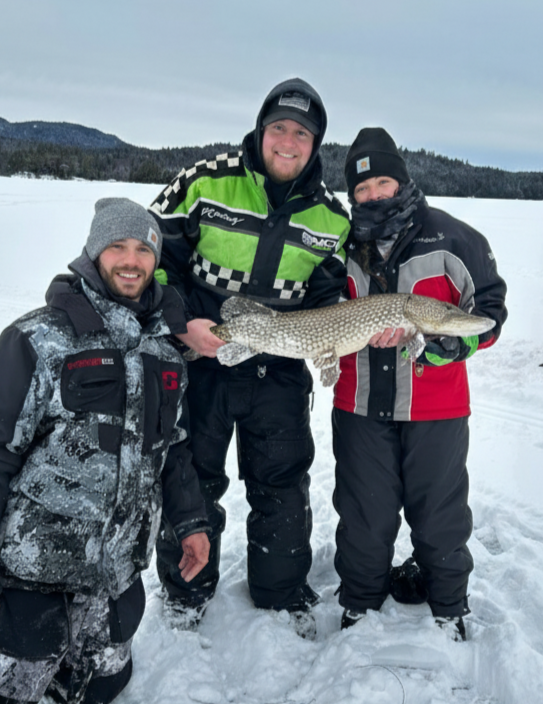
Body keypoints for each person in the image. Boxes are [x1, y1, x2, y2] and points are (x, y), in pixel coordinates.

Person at [148, 77, 350, 636]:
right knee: (194, 476)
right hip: (202, 360)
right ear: (261, 131)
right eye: (278, 128)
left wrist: (336, 333)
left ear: (315, 145)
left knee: (282, 482)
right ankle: (186, 591)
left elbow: (330, 296)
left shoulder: (332, 218)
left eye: (302, 134)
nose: (288, 142)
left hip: (279, 371)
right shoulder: (204, 180)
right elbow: (153, 258)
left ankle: (281, 591)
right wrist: (180, 321)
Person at [0, 198, 210, 704]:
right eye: (117, 246)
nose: (131, 260)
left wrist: (192, 523)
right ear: (94, 253)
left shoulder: (164, 352)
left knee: (107, 683)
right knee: (19, 682)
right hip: (32, 569)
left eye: (143, 248)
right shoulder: (40, 338)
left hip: (114, 569)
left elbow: (173, 449)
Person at [332, 128, 508, 641]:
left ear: (403, 181)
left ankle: (449, 603)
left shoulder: (454, 238)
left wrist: (457, 345)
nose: (373, 195)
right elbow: (314, 307)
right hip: (360, 404)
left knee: (441, 514)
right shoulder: (340, 245)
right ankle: (360, 603)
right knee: (365, 513)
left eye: (383, 182)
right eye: (362, 189)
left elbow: (489, 311)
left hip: (437, 407)